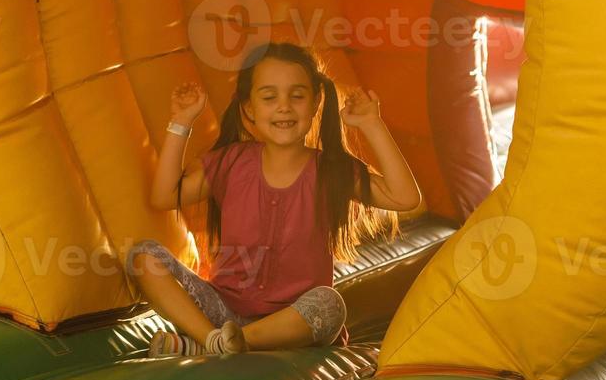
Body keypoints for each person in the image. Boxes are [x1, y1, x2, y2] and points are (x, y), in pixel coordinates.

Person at [128, 41, 421, 357]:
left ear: (315, 103)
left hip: (294, 324)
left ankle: (218, 344)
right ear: (249, 109)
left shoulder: (331, 170)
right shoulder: (231, 162)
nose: (284, 107)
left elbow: (404, 198)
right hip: (223, 314)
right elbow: (164, 197)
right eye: (269, 97)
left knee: (329, 303)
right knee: (144, 256)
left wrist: (371, 124)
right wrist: (182, 121)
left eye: (297, 96)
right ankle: (214, 342)